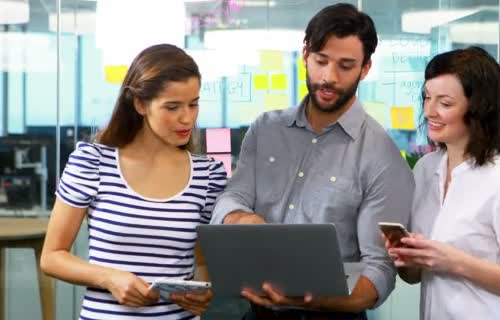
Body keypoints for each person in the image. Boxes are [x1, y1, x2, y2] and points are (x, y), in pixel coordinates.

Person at [210, 3, 415, 319]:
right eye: (321, 61)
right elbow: (232, 197)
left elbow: (379, 270)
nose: (329, 77)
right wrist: (241, 218)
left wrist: (307, 299)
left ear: (365, 68)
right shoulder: (266, 129)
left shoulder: (381, 155)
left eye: (346, 66)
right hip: (255, 310)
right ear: (305, 54)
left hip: (331, 313)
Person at [40, 44, 227, 320]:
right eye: (172, 107)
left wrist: (203, 293)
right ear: (140, 104)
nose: (187, 117)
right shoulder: (93, 162)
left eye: (193, 103)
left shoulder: (207, 175)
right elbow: (52, 256)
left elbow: (201, 263)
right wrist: (109, 278)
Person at [385, 47, 500, 320]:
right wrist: (407, 257)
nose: (430, 111)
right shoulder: (427, 170)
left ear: (478, 109)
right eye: (427, 98)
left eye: (445, 103)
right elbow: (416, 276)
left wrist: (455, 262)